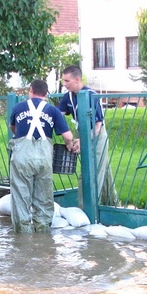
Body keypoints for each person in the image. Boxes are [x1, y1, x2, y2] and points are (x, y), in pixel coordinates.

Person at [9, 79, 76, 232]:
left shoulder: (18, 107)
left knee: (20, 195)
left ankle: (23, 236)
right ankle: (43, 233)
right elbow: (67, 135)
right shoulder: (52, 110)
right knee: (43, 196)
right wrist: (69, 144)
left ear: (30, 90)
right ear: (46, 94)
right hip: (44, 158)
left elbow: (13, 127)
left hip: (22, 157)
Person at [59, 64, 118, 206]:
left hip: (96, 135)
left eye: (67, 81)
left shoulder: (91, 95)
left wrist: (83, 140)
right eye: (63, 81)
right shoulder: (68, 97)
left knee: (91, 171)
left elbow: (98, 126)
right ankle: (112, 204)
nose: (64, 84)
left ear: (77, 79)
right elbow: (59, 116)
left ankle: (86, 207)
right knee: (104, 168)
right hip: (81, 132)